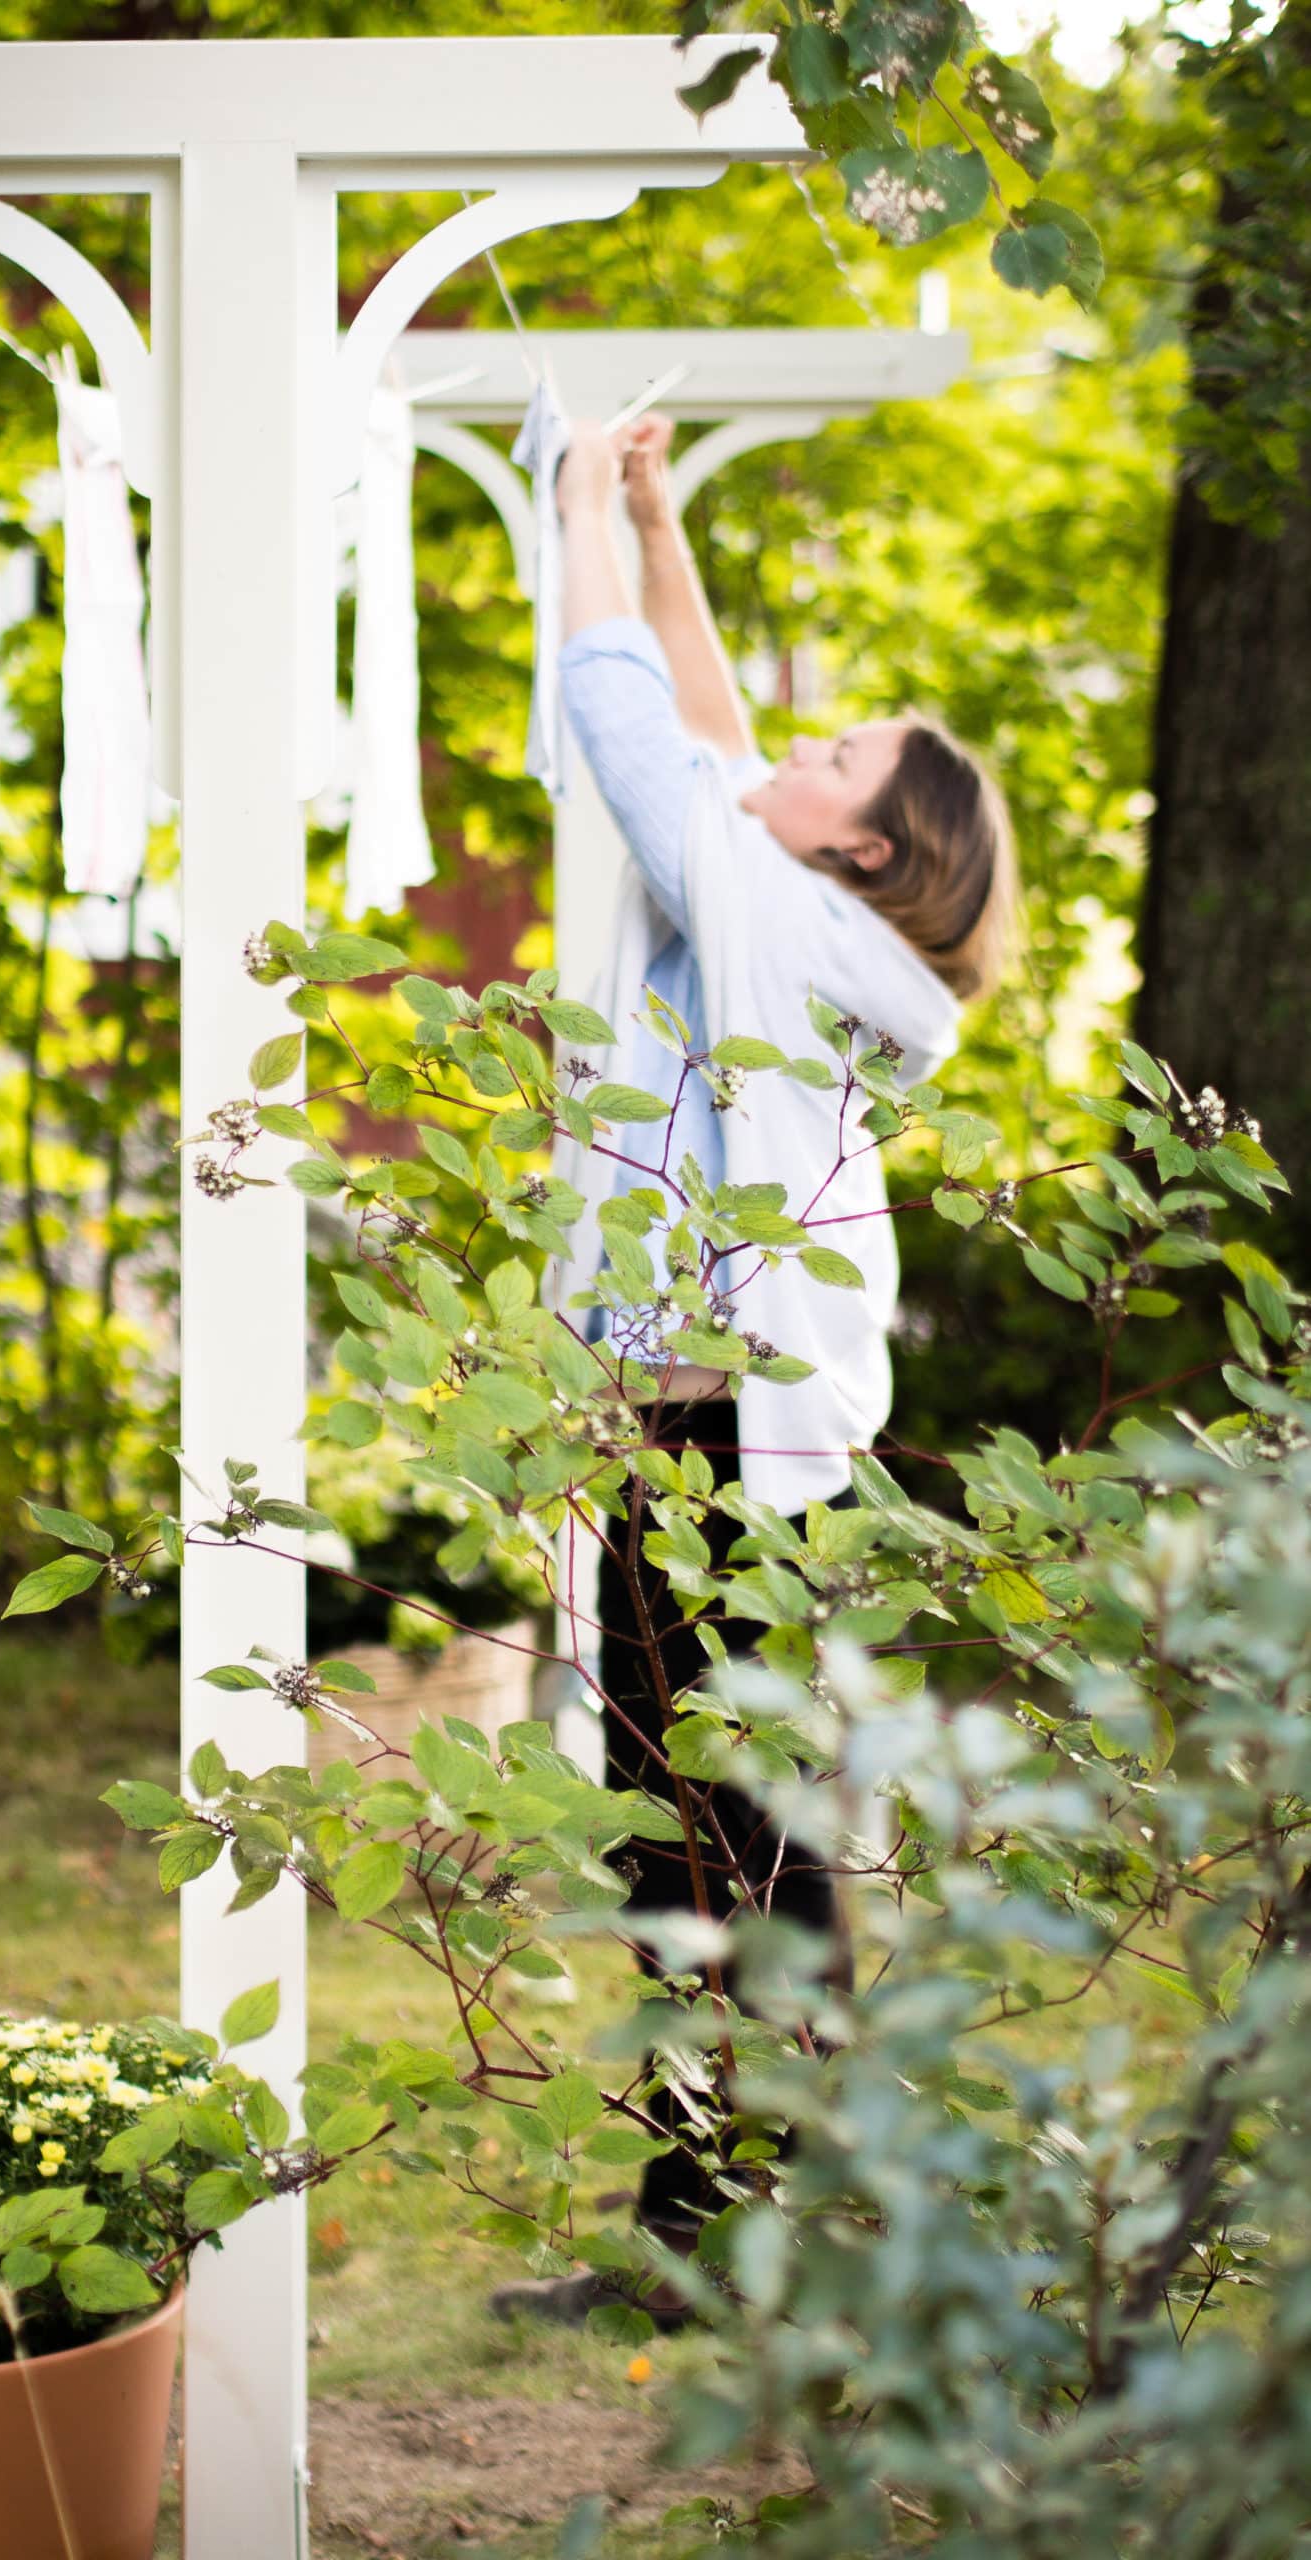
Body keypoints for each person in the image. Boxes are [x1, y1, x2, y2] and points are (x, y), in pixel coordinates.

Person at [491, 415, 1017, 2327]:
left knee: (718, 1836)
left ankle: (740, 2240)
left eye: (836, 758)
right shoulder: (807, 917)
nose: (795, 750)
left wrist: (576, 525)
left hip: (715, 1439)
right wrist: (657, 518)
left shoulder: (782, 924)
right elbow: (721, 757)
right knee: (725, 1826)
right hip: (726, 1438)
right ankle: (741, 2230)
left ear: (868, 845)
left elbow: (641, 741)